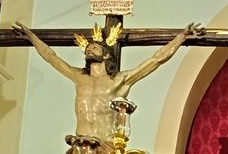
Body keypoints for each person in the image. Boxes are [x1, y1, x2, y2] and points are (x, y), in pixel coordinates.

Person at [14, 21, 203, 140]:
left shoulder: (119, 80)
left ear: (106, 56)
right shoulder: (79, 77)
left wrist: (182, 37)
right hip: (81, 143)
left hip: (107, 145)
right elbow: (50, 56)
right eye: (88, 48)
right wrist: (31, 37)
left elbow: (157, 59)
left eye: (95, 48)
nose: (89, 49)